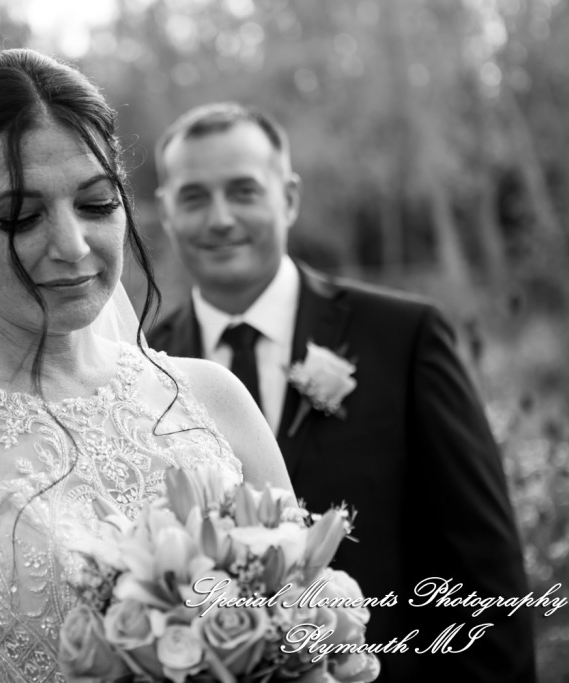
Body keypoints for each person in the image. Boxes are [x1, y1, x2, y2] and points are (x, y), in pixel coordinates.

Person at [0, 52, 292, 682]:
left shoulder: (215, 398)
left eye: (96, 204)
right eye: (21, 217)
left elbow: (304, 631)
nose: (71, 246)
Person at [148, 102, 536, 682]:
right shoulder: (145, 368)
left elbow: (486, 567)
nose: (220, 218)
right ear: (167, 212)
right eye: (195, 197)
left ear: (290, 198)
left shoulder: (403, 338)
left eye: (244, 191)